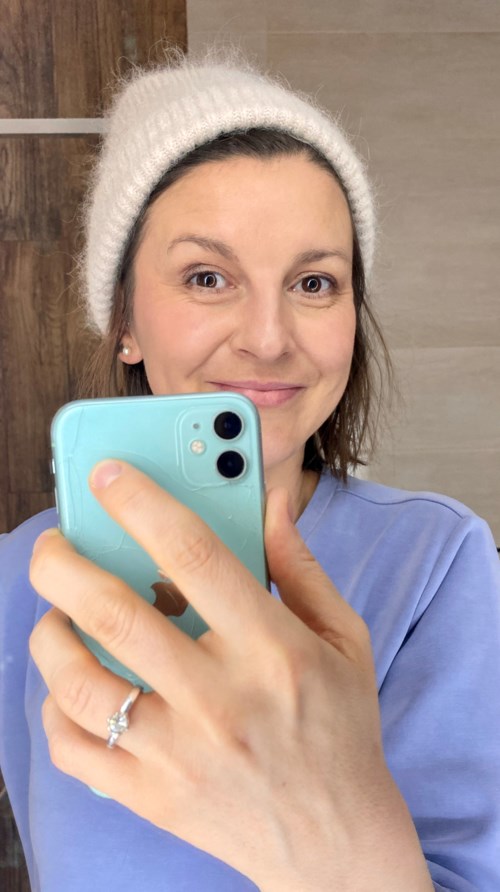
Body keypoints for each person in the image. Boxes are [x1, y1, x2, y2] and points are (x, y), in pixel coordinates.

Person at [0, 49, 499, 892]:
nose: (269, 339)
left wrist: (327, 826)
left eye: (314, 282)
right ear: (124, 322)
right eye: (207, 277)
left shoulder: (436, 561)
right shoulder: (30, 568)